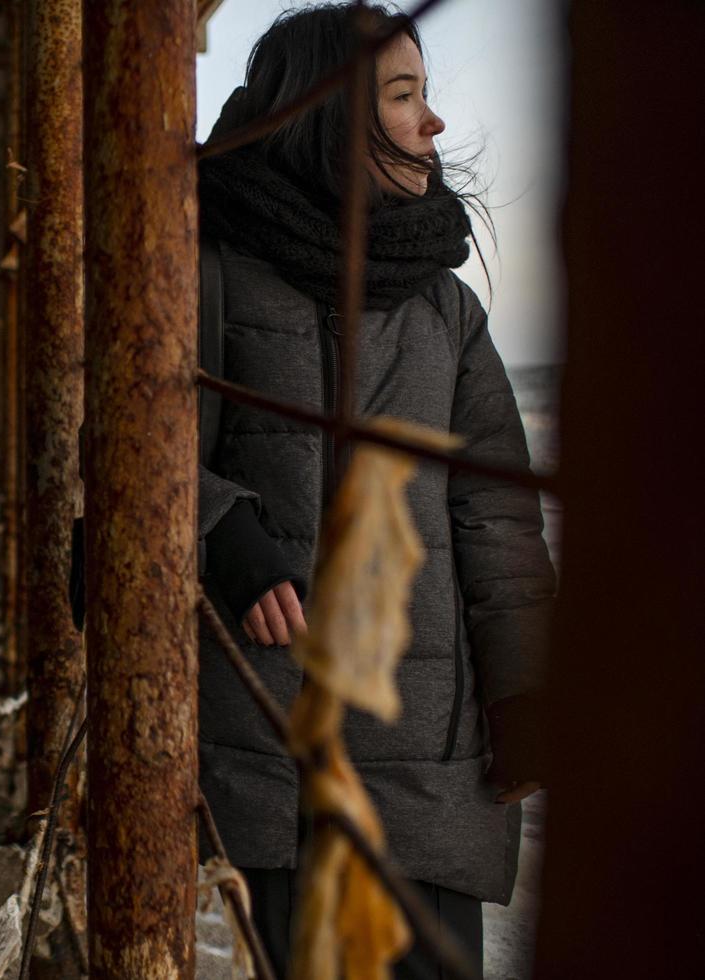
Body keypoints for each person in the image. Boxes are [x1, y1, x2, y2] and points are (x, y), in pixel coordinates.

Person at [195, 4, 555, 977]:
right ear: (325, 117)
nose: (433, 123)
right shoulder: (210, 275)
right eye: (404, 96)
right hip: (268, 744)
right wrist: (226, 534)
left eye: (426, 94)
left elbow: (501, 516)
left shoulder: (449, 308)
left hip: (427, 752)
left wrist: (527, 694)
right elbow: (138, 456)